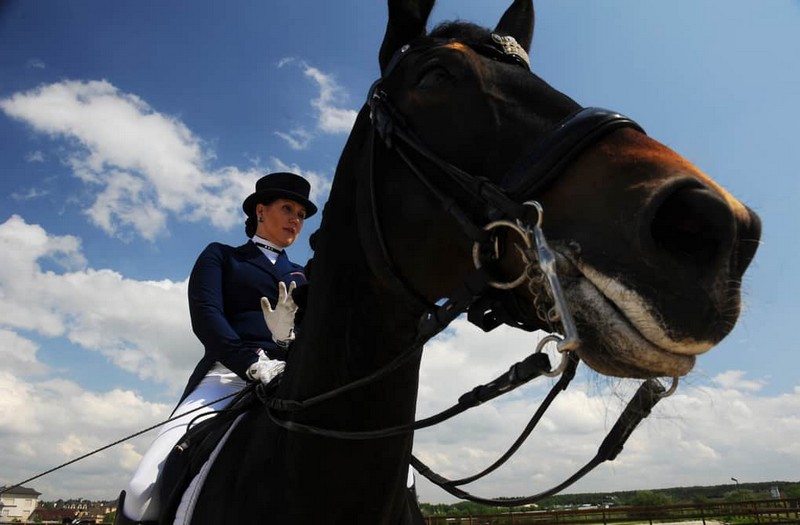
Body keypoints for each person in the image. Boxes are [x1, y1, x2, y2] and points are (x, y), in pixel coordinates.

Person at [117, 172, 317, 524]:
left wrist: (288, 342)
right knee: (141, 489)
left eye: (301, 215)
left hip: (293, 373)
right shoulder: (222, 257)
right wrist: (253, 363)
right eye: (287, 209)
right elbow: (207, 316)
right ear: (260, 211)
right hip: (229, 375)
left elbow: (318, 331)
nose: (295, 220)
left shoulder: (302, 275)